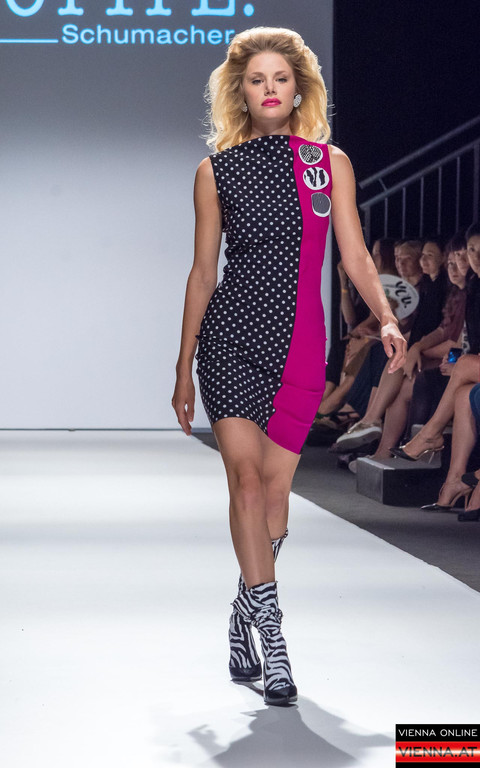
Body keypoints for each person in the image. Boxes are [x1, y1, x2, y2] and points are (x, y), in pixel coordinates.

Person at [171, 26, 406, 707]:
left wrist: (386, 316)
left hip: (300, 346)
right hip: (230, 342)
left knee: (275, 499)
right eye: (256, 80)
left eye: (280, 78)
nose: (269, 89)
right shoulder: (214, 172)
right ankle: (273, 640)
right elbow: (202, 274)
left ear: (297, 89)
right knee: (246, 484)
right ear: (240, 93)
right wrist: (183, 365)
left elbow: (355, 256)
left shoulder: (326, 164)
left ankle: (242, 614)